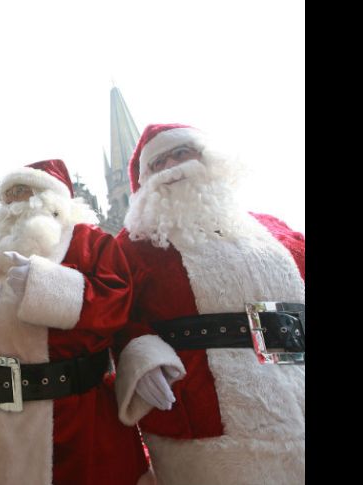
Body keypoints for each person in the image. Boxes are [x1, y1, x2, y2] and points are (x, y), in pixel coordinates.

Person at [113, 123, 305, 485]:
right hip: (206, 414)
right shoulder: (133, 243)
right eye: (159, 163)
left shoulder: (273, 229)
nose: (172, 166)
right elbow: (117, 314)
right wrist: (142, 358)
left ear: (209, 158)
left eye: (181, 153)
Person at [0, 160, 149, 485]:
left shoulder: (88, 240)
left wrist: (43, 283)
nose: (13, 202)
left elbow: (115, 300)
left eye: (23, 192)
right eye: (8, 195)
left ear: (50, 199)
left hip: (65, 414)